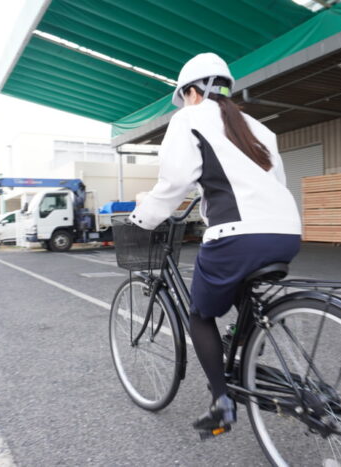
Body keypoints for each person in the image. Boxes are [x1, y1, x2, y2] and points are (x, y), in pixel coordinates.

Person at [129, 53, 302, 432]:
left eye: (184, 95)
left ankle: (221, 402)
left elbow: (174, 183)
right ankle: (249, 355)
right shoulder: (258, 128)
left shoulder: (188, 118)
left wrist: (143, 214)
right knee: (241, 290)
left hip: (238, 236)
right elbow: (271, 185)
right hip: (286, 232)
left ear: (191, 91)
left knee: (200, 315)